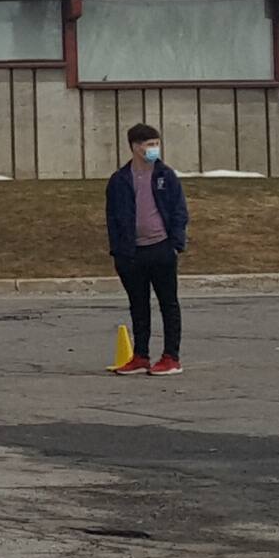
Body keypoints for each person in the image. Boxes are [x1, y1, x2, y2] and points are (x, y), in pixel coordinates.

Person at [104, 124, 187, 373]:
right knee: (138, 305)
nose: (153, 149)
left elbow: (179, 211)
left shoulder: (166, 176)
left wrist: (175, 244)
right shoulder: (120, 180)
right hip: (132, 253)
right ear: (135, 147)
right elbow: (113, 218)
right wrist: (119, 252)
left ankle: (171, 357)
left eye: (156, 143)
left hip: (161, 248)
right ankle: (140, 355)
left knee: (168, 303)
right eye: (148, 144)